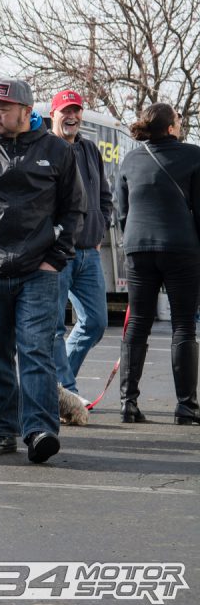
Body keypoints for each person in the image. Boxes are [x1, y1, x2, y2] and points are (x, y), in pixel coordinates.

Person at [0, 78, 85, 463]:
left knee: (35, 352)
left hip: (39, 272)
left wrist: (54, 259)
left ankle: (39, 431)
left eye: (2, 108)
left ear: (27, 112)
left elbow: (73, 209)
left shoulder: (57, 152)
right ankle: (1, 432)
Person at [114, 102, 200, 426]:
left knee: (137, 322)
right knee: (183, 325)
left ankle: (128, 403)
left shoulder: (131, 159)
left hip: (137, 248)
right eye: (178, 120)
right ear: (170, 127)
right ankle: (186, 407)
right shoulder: (193, 155)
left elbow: (122, 212)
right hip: (181, 248)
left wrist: (133, 241)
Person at [48, 89, 113, 424]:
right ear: (53, 114)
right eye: (65, 111)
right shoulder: (47, 148)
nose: (71, 117)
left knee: (96, 322)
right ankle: (67, 393)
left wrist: (101, 228)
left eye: (76, 111)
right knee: (55, 326)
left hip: (89, 252)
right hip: (59, 253)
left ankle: (58, 389)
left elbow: (104, 193)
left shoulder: (89, 149)